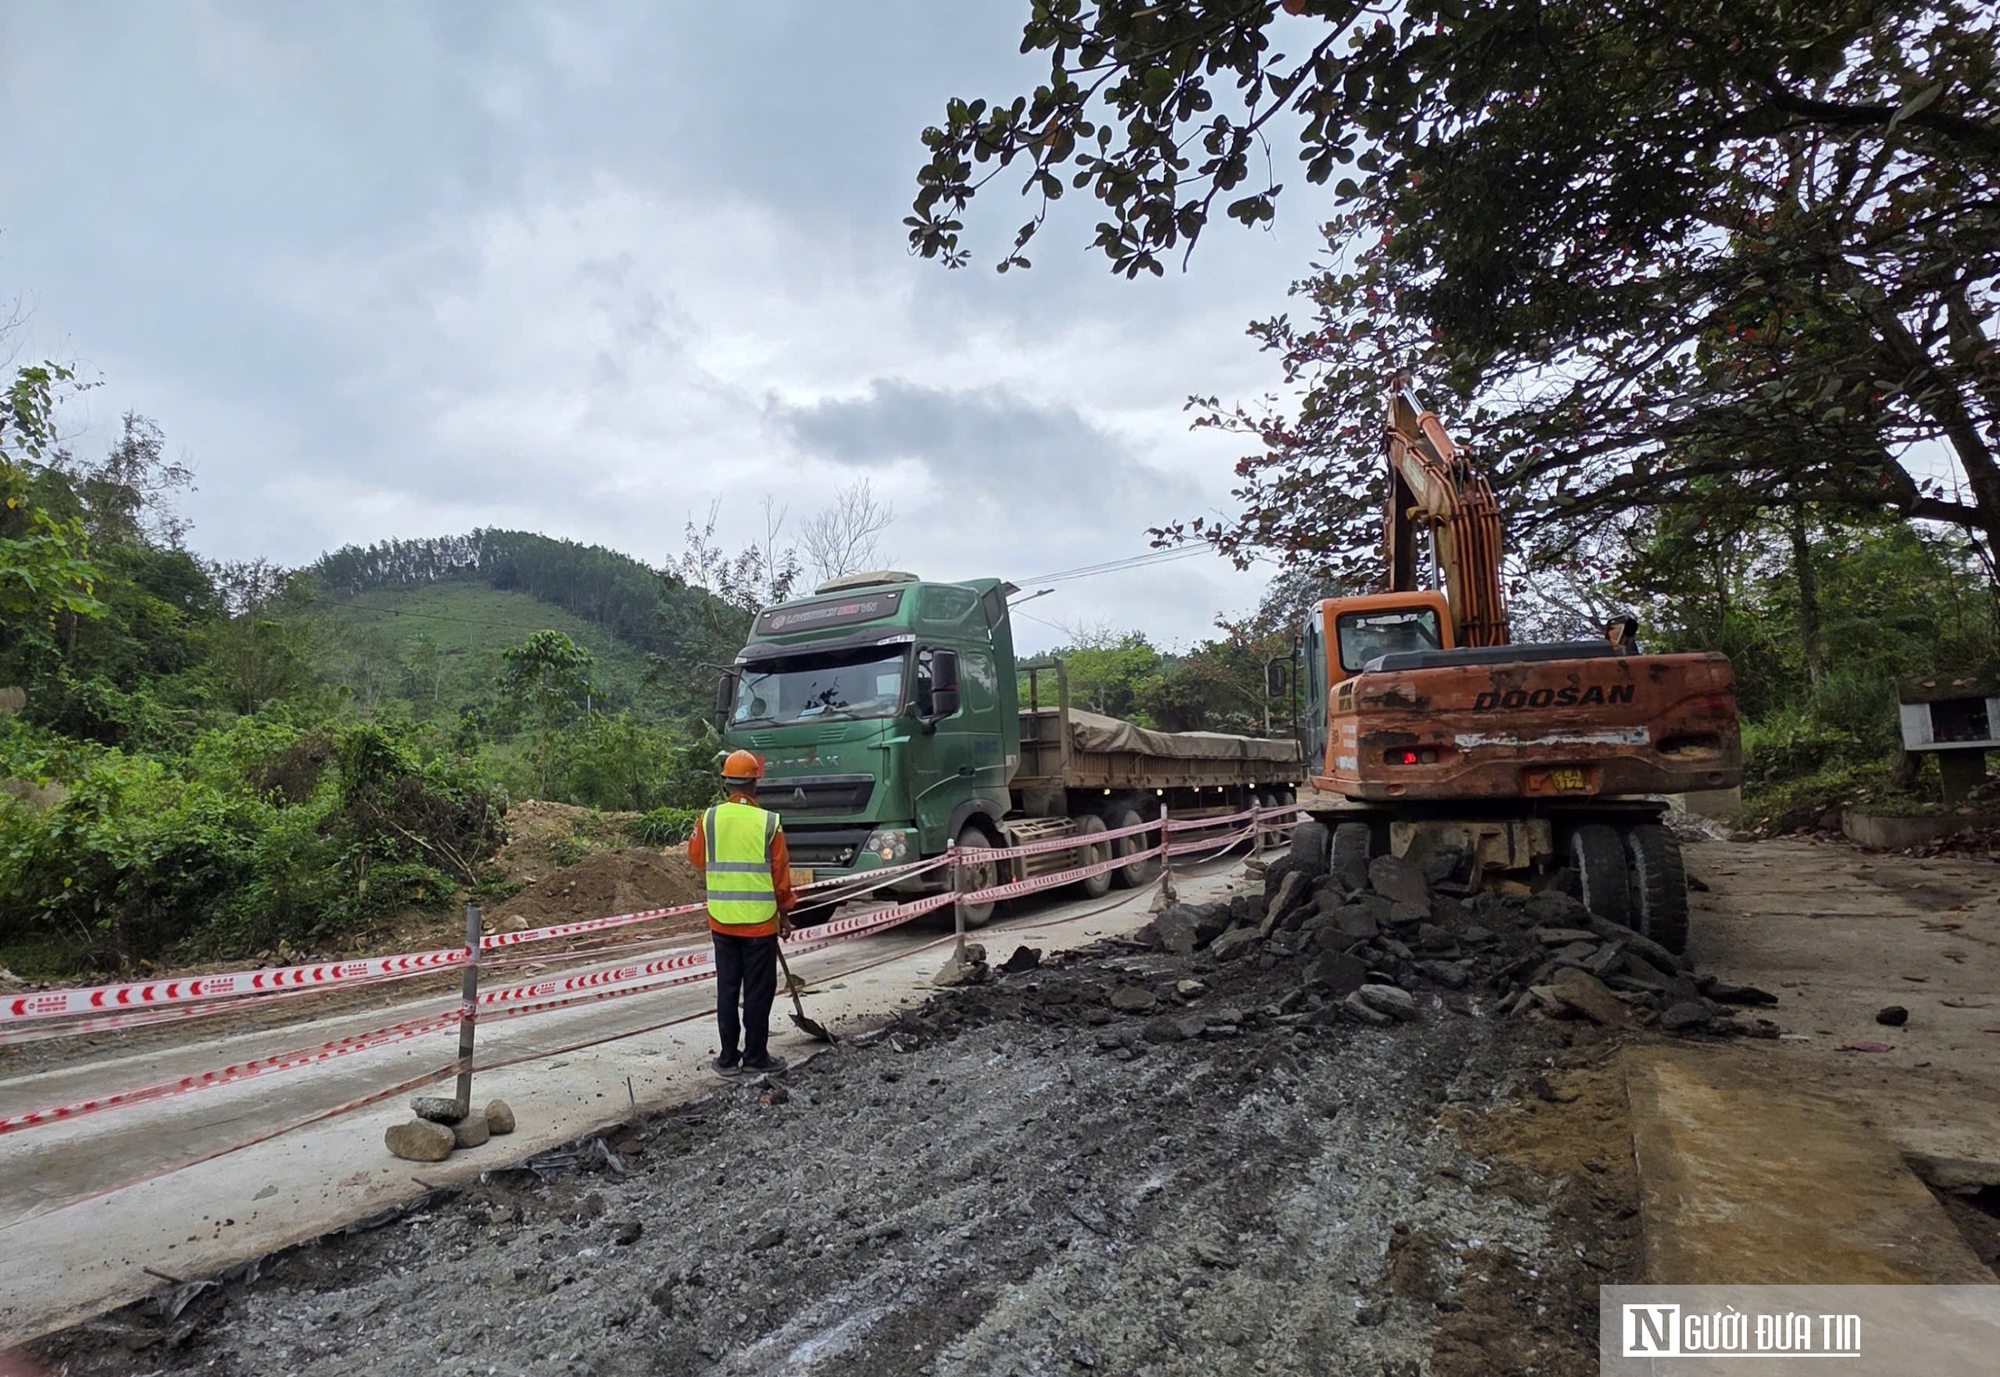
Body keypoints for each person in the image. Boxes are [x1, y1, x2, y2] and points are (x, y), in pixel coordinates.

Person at [686, 750, 796, 1077]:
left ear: (726, 784)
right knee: (758, 993)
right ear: (755, 783)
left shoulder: (709, 819)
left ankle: (727, 1058)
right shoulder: (769, 823)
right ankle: (756, 1057)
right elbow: (781, 877)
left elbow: (696, 858)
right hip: (760, 926)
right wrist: (786, 913)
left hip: (722, 922)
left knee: (728, 989)